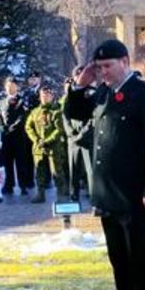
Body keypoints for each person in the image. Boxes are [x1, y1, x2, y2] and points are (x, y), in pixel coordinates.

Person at [67, 38, 145, 290]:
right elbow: (76, 113)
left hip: (137, 196)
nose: (103, 72)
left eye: (107, 66)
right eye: (98, 67)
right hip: (109, 196)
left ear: (125, 61)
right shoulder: (102, 92)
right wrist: (78, 85)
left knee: (141, 261)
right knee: (120, 263)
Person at [25, 83, 67, 203]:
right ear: (39, 97)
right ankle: (40, 194)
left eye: (48, 95)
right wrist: (37, 140)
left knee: (57, 172)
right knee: (40, 172)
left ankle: (61, 195)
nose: (45, 97)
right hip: (38, 147)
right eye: (43, 95)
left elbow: (59, 129)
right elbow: (28, 127)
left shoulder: (56, 111)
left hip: (54, 147)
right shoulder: (35, 112)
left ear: (52, 96)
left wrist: (47, 141)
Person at [62, 68, 94, 202]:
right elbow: (65, 115)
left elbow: (93, 117)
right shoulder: (70, 94)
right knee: (73, 169)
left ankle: (94, 198)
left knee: (91, 170)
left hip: (86, 138)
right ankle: (73, 196)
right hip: (73, 138)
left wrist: (82, 135)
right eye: (77, 75)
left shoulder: (92, 93)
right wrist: (70, 132)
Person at [0, 76, 34, 197]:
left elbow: (23, 116)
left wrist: (13, 126)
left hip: (19, 136)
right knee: (7, 163)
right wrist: (3, 127)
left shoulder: (22, 100)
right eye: (8, 86)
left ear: (17, 87)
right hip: (6, 137)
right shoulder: (2, 101)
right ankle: (9, 184)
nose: (10, 88)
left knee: (21, 162)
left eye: (12, 86)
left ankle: (23, 185)